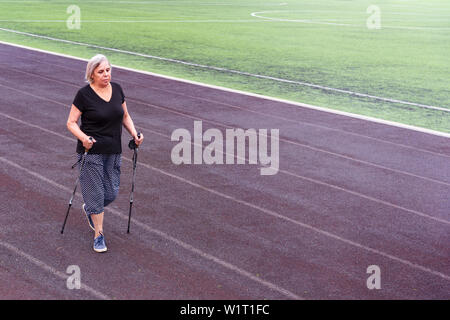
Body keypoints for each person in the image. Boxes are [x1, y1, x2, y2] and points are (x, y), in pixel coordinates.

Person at [67, 54, 143, 253]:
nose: (106, 74)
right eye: (101, 72)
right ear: (91, 74)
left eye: (108, 70)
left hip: (113, 150)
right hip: (91, 152)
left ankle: (90, 208)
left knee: (111, 192)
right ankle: (99, 235)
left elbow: (125, 116)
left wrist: (135, 134)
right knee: (97, 193)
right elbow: (71, 122)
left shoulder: (117, 89)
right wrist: (83, 138)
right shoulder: (83, 95)